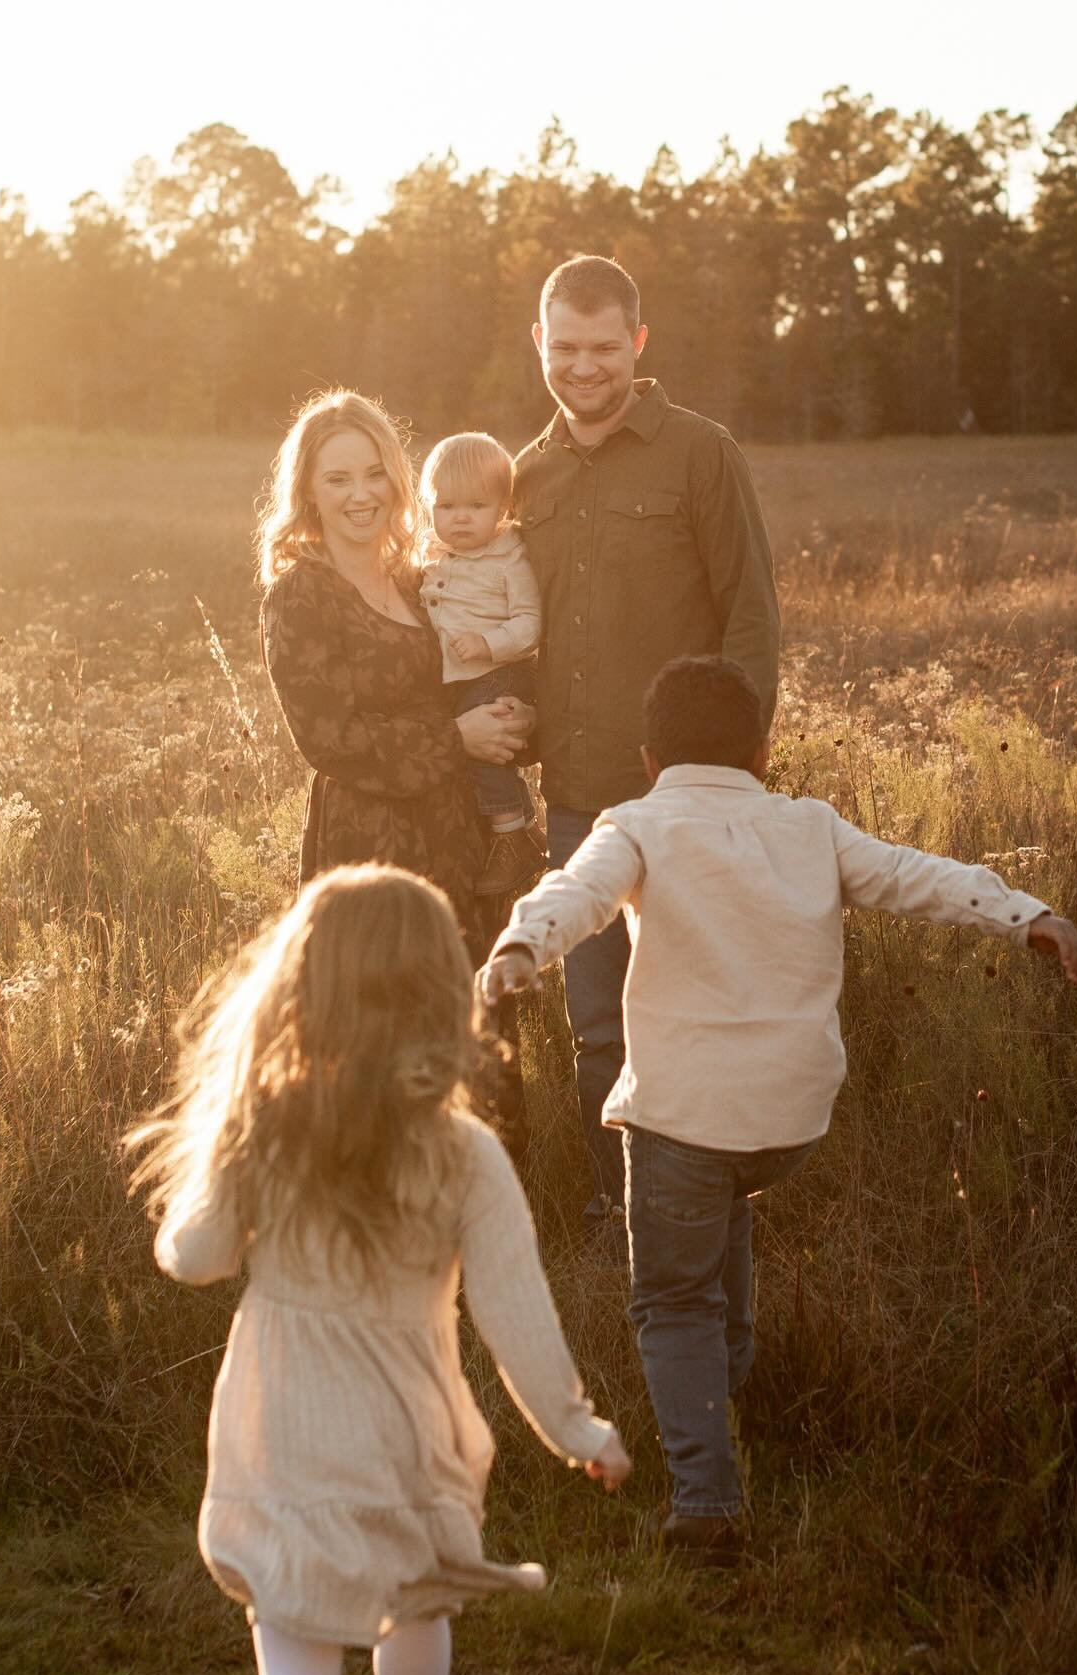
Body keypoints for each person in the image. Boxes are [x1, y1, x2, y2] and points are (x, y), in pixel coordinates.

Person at [481, 656, 1077, 1564]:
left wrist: (523, 946)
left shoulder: (637, 823)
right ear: (763, 749)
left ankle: (706, 1501)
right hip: (788, 1121)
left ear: (648, 758)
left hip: (687, 1113)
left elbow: (578, 891)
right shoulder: (811, 826)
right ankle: (730, 1415)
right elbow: (914, 875)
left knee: (673, 1298)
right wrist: (1025, 913)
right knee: (717, 1239)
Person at [127, 864, 630, 1675]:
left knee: (294, 1653)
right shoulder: (466, 1154)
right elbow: (515, 1316)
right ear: (444, 993)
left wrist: (183, 1220)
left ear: (298, 989)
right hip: (412, 1424)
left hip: (284, 1420)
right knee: (418, 1600)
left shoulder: (263, 1128)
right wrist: (576, 1424)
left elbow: (200, 1255)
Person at [514, 255, 781, 1225]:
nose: (585, 368)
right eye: (566, 347)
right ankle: (618, 1206)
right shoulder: (525, 474)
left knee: (700, 1011)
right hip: (581, 794)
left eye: (604, 348)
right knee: (598, 1023)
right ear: (540, 344)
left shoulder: (700, 454)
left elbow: (751, 618)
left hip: (690, 794)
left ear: (637, 342)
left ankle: (713, 1206)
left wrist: (734, 772)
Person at [258, 390, 531, 935]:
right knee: (382, 1007)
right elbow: (330, 741)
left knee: (472, 1009)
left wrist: (517, 716)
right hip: (372, 853)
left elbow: (474, 683)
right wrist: (457, 738)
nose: (361, 495)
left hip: (465, 838)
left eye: (375, 474)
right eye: (338, 479)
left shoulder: (423, 579)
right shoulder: (302, 595)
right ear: (308, 490)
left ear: (397, 482)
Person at [419, 432, 546, 899]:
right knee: (469, 752)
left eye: (475, 505)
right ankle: (525, 831)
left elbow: (531, 624)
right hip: (462, 678)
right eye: (446, 506)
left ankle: (514, 833)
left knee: (485, 751)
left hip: (502, 670)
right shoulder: (436, 555)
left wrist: (489, 643)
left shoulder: (510, 557)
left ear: (503, 509)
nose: (460, 518)